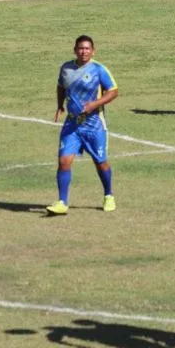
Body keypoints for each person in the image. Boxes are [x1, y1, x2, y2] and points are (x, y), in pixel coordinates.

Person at [46, 35, 119, 215]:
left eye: (87, 48)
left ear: (93, 51)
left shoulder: (99, 70)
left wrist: (95, 104)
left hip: (94, 125)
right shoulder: (66, 69)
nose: (83, 51)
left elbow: (114, 91)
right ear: (75, 50)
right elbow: (60, 87)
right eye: (80, 48)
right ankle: (62, 202)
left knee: (101, 162)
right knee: (64, 161)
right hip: (72, 124)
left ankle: (108, 195)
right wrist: (59, 105)